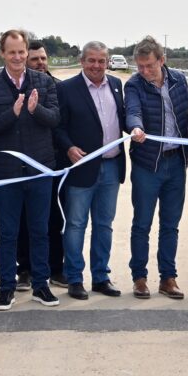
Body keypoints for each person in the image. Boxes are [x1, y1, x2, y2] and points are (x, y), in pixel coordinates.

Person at [0, 29, 62, 310]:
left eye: (21, 52)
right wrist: (12, 113)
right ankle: (7, 287)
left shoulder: (43, 82)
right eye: (11, 52)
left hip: (39, 170)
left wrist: (35, 109)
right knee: (9, 232)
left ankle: (41, 286)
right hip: (6, 173)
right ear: (2, 53)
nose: (17, 57)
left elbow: (54, 119)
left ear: (27, 52)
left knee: (40, 230)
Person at [125, 36, 188, 300]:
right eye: (140, 66)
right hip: (147, 164)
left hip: (175, 163)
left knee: (171, 224)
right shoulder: (134, 84)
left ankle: (168, 278)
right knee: (141, 223)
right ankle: (140, 278)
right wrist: (136, 127)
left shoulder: (179, 80)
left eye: (150, 66)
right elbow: (132, 111)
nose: (145, 72)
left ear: (162, 60)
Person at [55, 41, 127, 300]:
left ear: (108, 62)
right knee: (75, 224)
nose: (97, 66)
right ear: (82, 61)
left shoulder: (117, 85)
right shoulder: (66, 89)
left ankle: (101, 277)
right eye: (92, 61)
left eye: (101, 61)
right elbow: (58, 127)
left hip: (111, 166)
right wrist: (69, 147)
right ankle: (74, 278)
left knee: (104, 225)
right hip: (82, 168)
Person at [20, 39, 66, 289]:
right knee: (23, 220)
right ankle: (24, 269)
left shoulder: (58, 87)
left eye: (43, 58)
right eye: (34, 59)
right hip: (24, 164)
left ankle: (56, 268)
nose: (40, 63)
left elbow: (60, 123)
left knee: (53, 218)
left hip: (53, 163)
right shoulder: (18, 86)